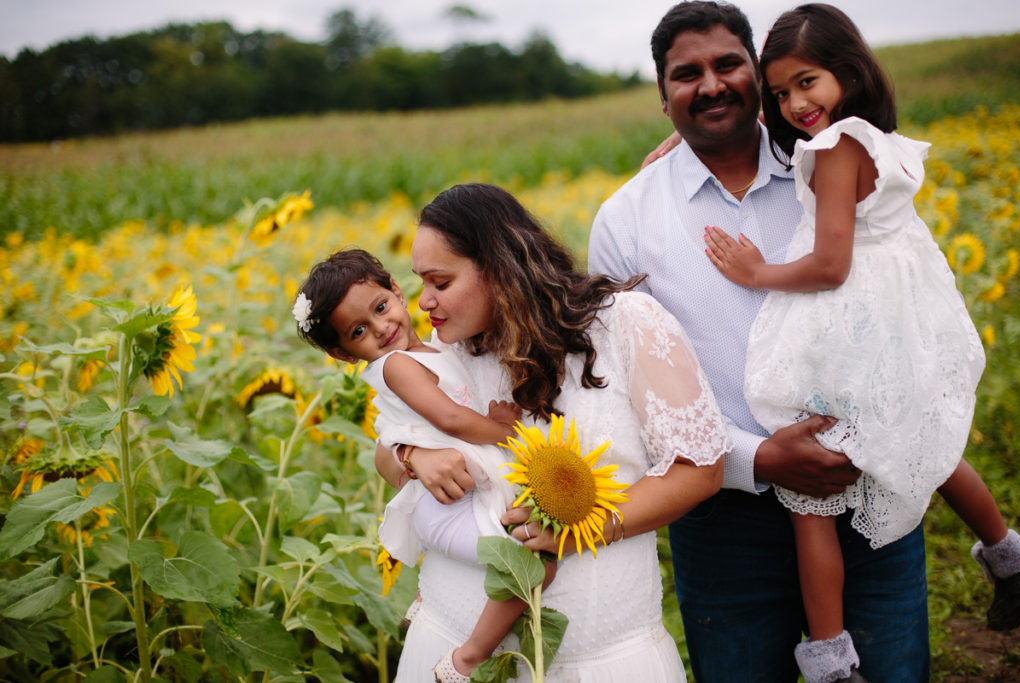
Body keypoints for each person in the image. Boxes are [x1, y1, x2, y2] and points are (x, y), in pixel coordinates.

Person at [589, 2, 931, 681]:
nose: (711, 85)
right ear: (663, 97)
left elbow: (903, 293)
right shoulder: (626, 218)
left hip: (866, 490)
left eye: (727, 65)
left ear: (758, 73)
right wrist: (760, 457)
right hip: (722, 520)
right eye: (686, 75)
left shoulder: (832, 166)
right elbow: (629, 388)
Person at [697, 3, 1020, 680]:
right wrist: (684, 142)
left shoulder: (833, 149)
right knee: (929, 443)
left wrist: (758, 271)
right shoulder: (880, 138)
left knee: (811, 497)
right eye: (780, 93)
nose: (794, 105)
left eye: (807, 83)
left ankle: (831, 658)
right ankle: (1007, 555)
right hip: (903, 322)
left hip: (848, 331)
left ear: (847, 70)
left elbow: (830, 264)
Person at [382, 182, 730, 681]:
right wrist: (413, 456)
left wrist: (577, 528)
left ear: (499, 267)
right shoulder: (446, 346)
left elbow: (698, 469)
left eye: (440, 282)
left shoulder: (623, 324)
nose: (424, 303)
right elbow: (385, 448)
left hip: (599, 660)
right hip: (445, 647)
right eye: (421, 283)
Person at [292, 248, 557, 682]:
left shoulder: (432, 350)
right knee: (532, 565)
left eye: (381, 307)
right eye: (359, 330)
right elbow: (449, 418)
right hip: (447, 500)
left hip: (454, 493)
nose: (381, 327)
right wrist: (507, 432)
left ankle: (432, 601)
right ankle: (467, 659)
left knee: (516, 555)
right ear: (343, 354)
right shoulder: (397, 365)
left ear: (396, 291)